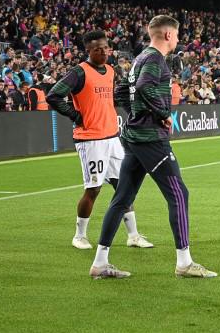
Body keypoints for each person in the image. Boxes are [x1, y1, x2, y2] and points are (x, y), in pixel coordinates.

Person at [89, 15, 217, 280]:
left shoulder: (139, 58)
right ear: (169, 35)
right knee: (179, 195)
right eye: (178, 35)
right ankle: (184, 263)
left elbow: (122, 92)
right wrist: (162, 113)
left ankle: (100, 263)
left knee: (122, 198)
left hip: (134, 138)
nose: (179, 39)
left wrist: (134, 114)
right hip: (150, 139)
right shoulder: (156, 60)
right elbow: (145, 87)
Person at [46, 31, 152, 250]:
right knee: (93, 188)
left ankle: (133, 235)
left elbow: (115, 96)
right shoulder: (79, 72)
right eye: (97, 49)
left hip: (112, 137)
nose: (103, 52)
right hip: (90, 140)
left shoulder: (111, 71)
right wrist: (75, 115)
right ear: (88, 50)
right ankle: (80, 235)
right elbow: (53, 96)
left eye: (105, 48)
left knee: (124, 187)